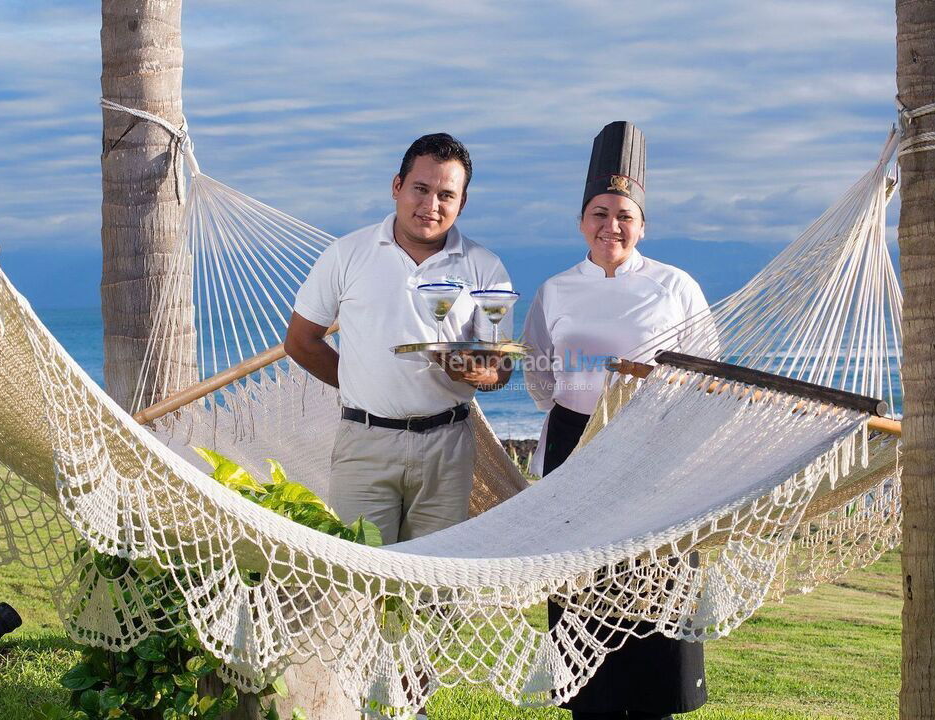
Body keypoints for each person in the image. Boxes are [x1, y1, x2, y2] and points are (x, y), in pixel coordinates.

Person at [523, 121, 711, 720]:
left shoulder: (675, 287)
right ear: (582, 220)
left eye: (624, 215)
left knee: (654, 588)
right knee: (582, 592)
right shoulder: (555, 291)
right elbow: (539, 376)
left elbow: (704, 373)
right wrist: (589, 403)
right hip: (575, 448)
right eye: (600, 213)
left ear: (643, 224)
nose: (611, 226)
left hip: (653, 450)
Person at [284, 132, 513, 547]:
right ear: (396, 186)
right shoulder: (346, 254)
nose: (430, 206)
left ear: (462, 203)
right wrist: (360, 382)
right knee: (356, 580)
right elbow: (301, 342)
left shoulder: (485, 267)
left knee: (434, 585)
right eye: (420, 189)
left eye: (446, 195)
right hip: (365, 445)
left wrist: (483, 373)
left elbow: (501, 371)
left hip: (448, 447)